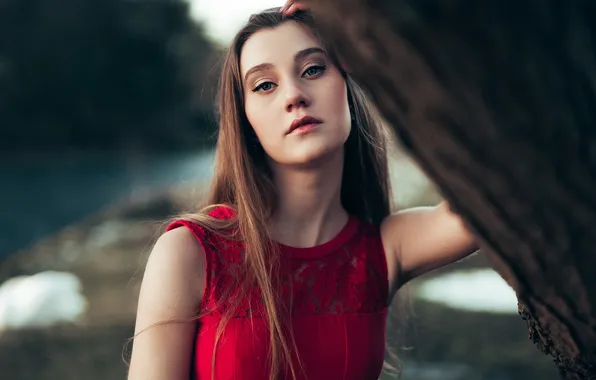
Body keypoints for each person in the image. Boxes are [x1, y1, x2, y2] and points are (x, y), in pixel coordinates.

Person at [127, 3, 478, 380]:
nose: (294, 94)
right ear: (246, 121)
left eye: (313, 69)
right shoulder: (192, 251)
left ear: (350, 84)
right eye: (265, 85)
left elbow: (499, 178)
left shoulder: (385, 249)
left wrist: (380, 38)